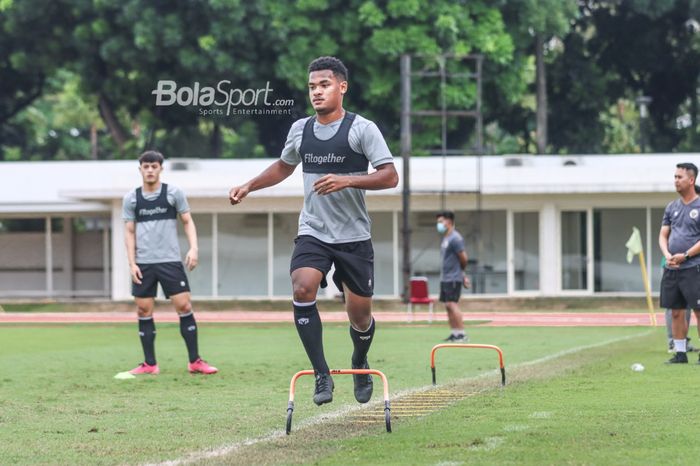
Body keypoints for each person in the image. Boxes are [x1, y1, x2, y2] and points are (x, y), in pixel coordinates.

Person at [229, 56, 398, 405]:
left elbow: (390, 175)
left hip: (353, 236)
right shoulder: (300, 129)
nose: (317, 92)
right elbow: (283, 166)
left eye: (324, 85)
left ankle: (359, 360)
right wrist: (248, 186)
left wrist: (348, 179)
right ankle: (321, 374)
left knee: (360, 316)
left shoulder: (362, 129)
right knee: (303, 287)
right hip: (314, 231)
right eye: (312, 87)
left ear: (342, 87)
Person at [122, 150, 218, 375]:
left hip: (170, 261)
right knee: (143, 309)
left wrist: (193, 248)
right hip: (143, 263)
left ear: (160, 169)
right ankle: (149, 364)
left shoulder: (174, 193)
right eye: (145, 166)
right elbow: (128, 232)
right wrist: (131, 263)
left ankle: (195, 361)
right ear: (140, 170)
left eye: (154, 166)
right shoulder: (132, 198)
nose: (150, 170)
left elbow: (187, 221)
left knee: (184, 306)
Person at [659, 162, 700, 364]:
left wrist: (685, 255)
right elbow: (663, 235)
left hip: (694, 268)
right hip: (673, 268)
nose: (675, 180)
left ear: (691, 180)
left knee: (699, 312)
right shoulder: (671, 207)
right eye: (674, 177)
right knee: (676, 311)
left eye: (679, 177)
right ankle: (680, 354)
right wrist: (667, 255)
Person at [436, 211, 470, 342]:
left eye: (440, 221)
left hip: (453, 278)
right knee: (447, 305)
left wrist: (462, 274)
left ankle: (462, 334)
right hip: (445, 278)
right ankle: (455, 333)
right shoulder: (446, 238)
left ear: (448, 222)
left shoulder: (456, 238)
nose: (438, 224)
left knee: (452, 304)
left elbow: (464, 258)